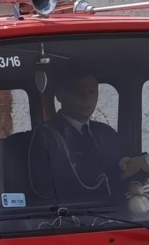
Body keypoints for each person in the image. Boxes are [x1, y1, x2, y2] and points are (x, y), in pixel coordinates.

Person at [27, 65, 123, 204]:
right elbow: (44, 190)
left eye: (92, 92)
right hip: (66, 212)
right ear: (60, 95)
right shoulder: (45, 135)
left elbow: (121, 174)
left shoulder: (107, 134)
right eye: (77, 92)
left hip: (112, 211)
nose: (86, 98)